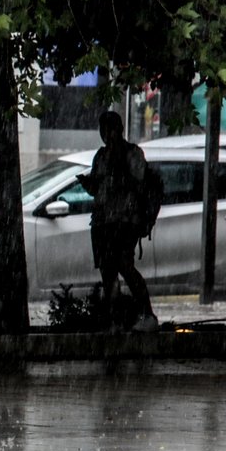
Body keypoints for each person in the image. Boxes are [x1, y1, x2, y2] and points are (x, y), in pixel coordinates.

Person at [78, 111, 158, 332]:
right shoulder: (101, 156)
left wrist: (118, 175)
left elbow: (139, 185)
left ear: (119, 129)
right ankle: (115, 319)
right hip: (103, 221)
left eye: (110, 129)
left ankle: (147, 314)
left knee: (125, 266)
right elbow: (97, 189)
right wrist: (89, 184)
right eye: (103, 130)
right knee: (107, 271)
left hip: (125, 220)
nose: (107, 135)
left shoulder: (132, 153)